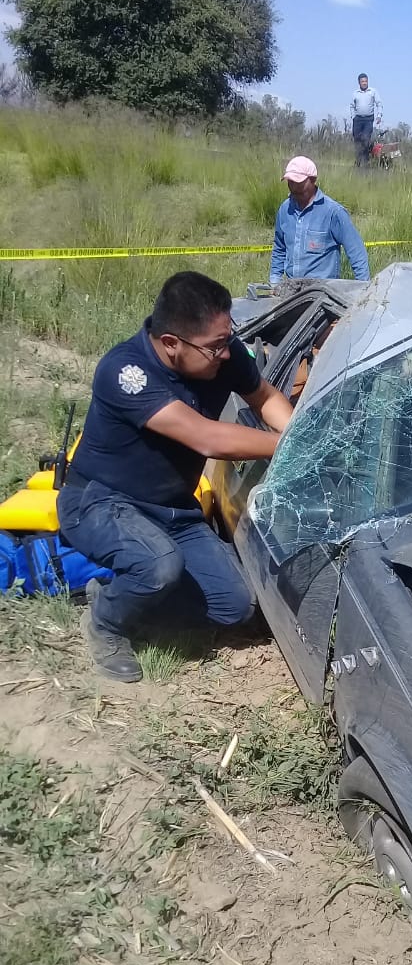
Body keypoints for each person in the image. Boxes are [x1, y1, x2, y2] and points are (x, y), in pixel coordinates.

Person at [58, 271, 294, 684]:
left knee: (235, 607)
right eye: (215, 346)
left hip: (173, 510)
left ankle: (131, 593)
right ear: (171, 344)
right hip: (101, 502)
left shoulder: (222, 353)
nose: (226, 353)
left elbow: (267, 398)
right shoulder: (125, 372)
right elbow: (205, 438)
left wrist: (296, 432)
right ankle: (106, 623)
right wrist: (295, 447)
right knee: (159, 567)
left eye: (228, 338)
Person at [269, 156, 370, 284]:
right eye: (290, 181)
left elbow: (356, 252)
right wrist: (274, 281)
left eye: (298, 182)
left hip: (324, 294)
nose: (293, 187)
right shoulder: (285, 210)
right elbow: (279, 248)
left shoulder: (333, 212)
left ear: (313, 180)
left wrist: (364, 289)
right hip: (291, 292)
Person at [350, 73, 382, 166]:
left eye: (366, 81)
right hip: (358, 119)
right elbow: (352, 106)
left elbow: (379, 104)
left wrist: (379, 115)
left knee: (365, 138)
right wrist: (353, 117)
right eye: (362, 81)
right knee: (357, 140)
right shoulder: (355, 93)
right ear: (359, 83)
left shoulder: (373, 92)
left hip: (368, 119)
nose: (364, 83)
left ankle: (365, 160)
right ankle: (358, 161)